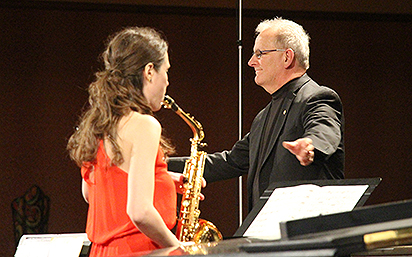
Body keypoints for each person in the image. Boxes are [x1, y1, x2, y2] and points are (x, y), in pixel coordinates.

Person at [167, 17, 344, 212]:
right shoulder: (263, 117)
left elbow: (325, 129)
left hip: (309, 232)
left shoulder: (317, 97)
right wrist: (159, 166)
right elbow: (229, 162)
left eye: (260, 54)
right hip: (269, 232)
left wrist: (311, 144)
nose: (251, 62)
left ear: (287, 57)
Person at [67, 27, 181, 256]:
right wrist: (177, 247)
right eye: (166, 71)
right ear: (149, 71)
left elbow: (92, 192)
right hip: (139, 250)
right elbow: (140, 212)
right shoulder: (144, 125)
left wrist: (160, 180)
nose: (167, 81)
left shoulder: (98, 123)